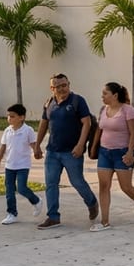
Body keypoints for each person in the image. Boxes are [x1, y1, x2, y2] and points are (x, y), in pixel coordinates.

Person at [34, 74, 99, 230]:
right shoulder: (49, 103)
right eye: (58, 86)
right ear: (52, 89)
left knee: (77, 182)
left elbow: (86, 123)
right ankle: (53, 217)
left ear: (69, 84)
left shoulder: (78, 101)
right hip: (52, 152)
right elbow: (43, 124)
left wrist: (80, 144)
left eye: (65, 85)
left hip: (72, 152)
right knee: (51, 184)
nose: (63, 88)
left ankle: (91, 202)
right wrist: (37, 145)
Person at [93, 82, 134, 232]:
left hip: (122, 153)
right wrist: (94, 147)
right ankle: (105, 221)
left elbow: (133, 133)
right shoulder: (103, 110)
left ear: (115, 95)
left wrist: (130, 152)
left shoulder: (128, 111)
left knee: (126, 187)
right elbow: (100, 129)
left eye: (105, 93)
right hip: (104, 152)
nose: (102, 96)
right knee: (104, 186)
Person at [0, 103, 42, 225]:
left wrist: (37, 152)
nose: (9, 119)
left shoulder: (28, 130)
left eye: (12, 116)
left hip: (23, 165)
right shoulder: (7, 131)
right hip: (9, 165)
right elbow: (3, 147)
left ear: (21, 117)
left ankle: (36, 201)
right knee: (9, 190)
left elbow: (33, 144)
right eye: (8, 116)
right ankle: (12, 213)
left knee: (21, 188)